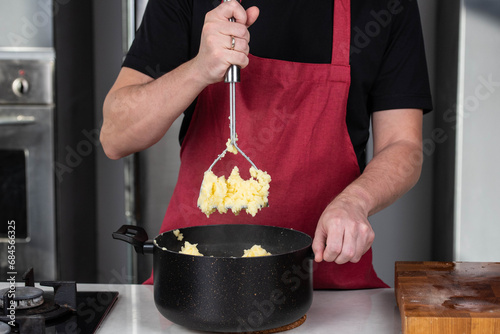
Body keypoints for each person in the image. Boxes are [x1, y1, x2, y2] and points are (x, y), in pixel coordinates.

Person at [101, 0, 432, 289]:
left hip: (326, 285)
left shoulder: (386, 5)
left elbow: (403, 144)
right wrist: (199, 69)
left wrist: (357, 201)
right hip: (198, 285)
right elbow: (115, 136)